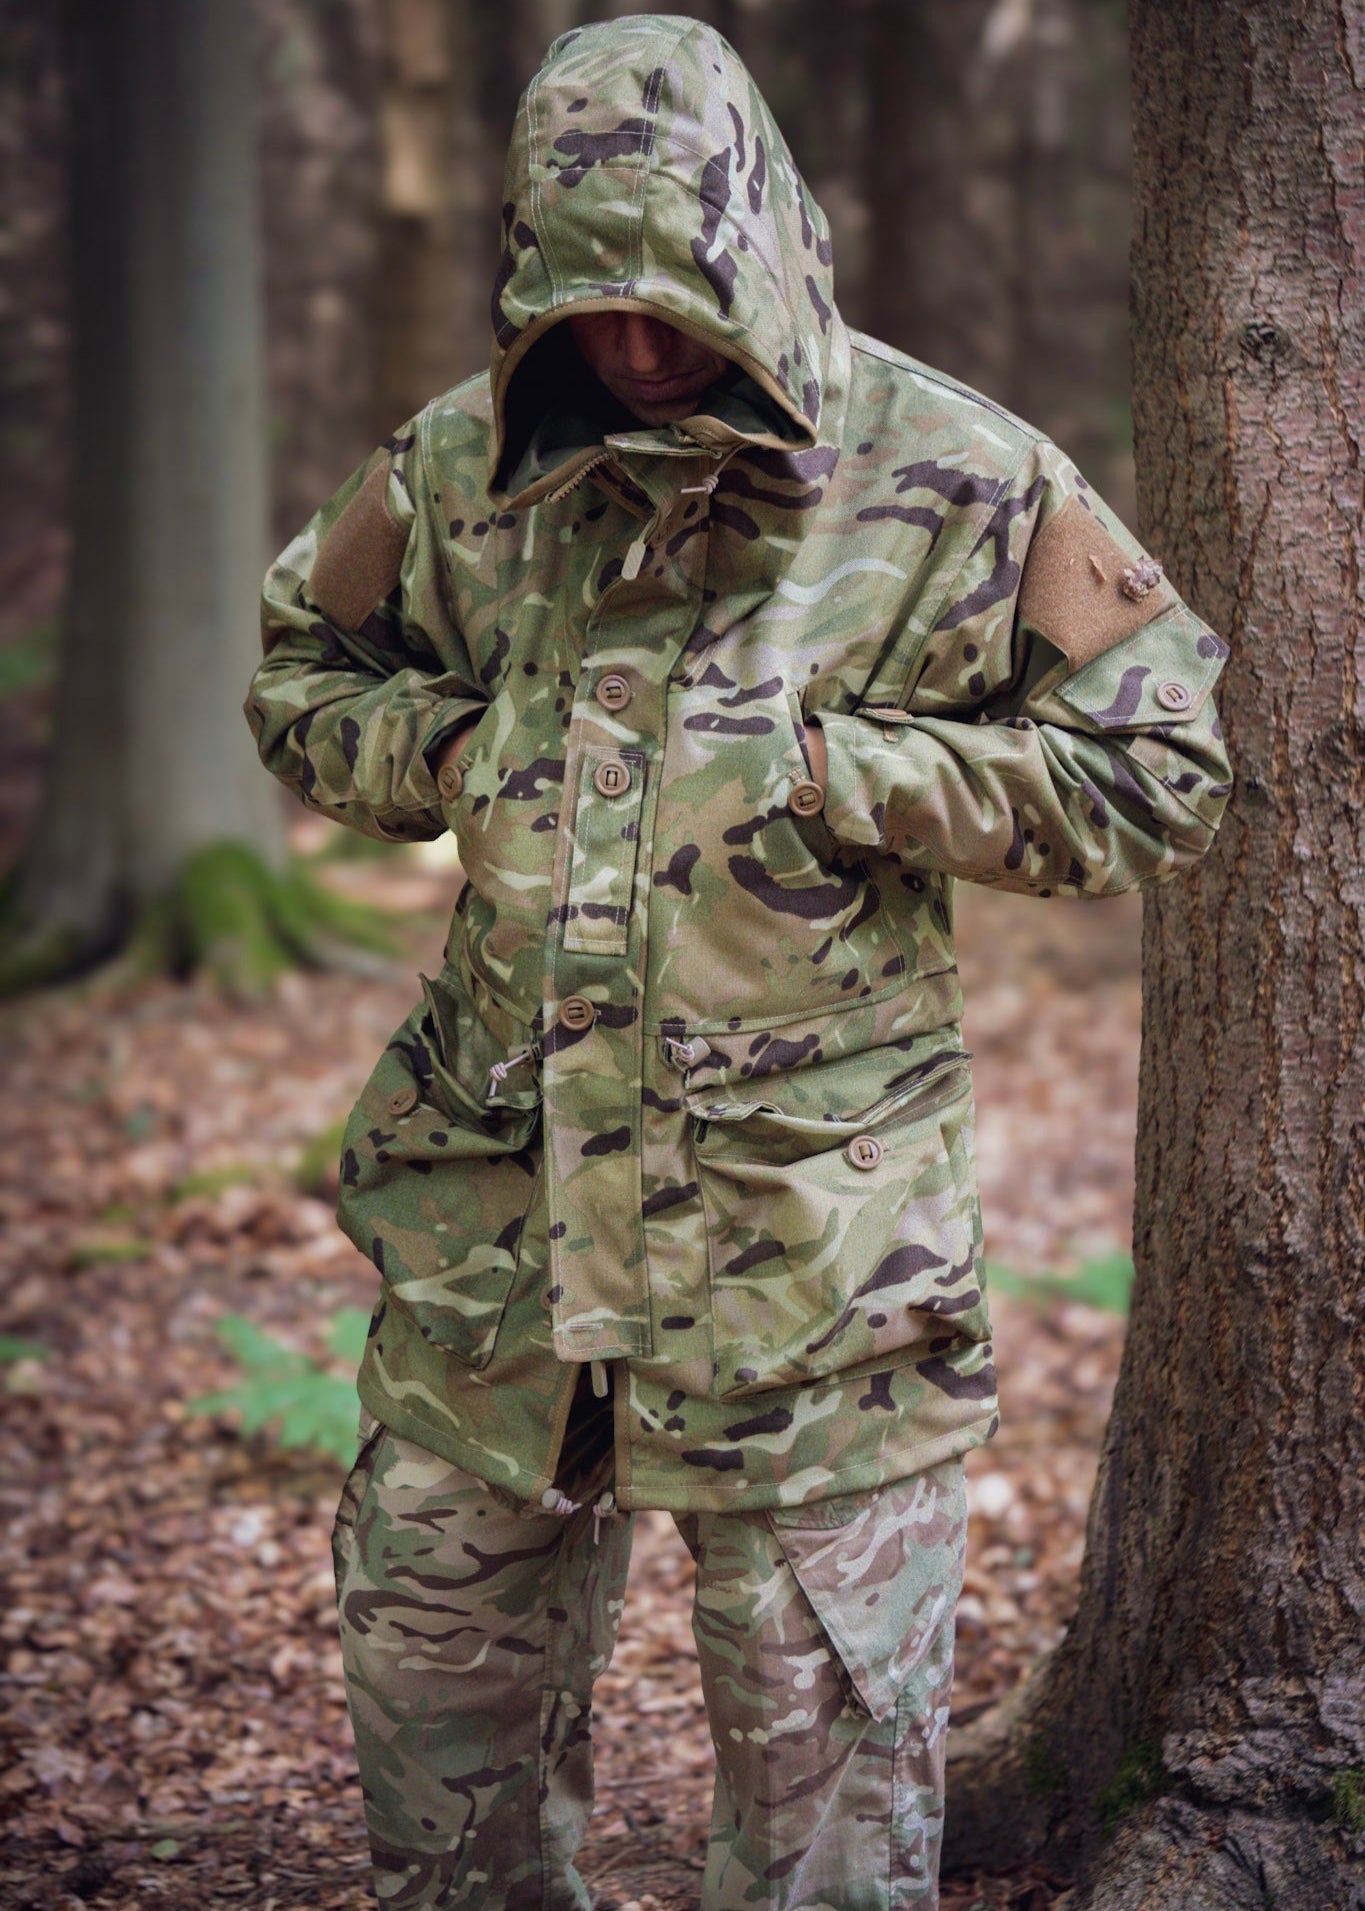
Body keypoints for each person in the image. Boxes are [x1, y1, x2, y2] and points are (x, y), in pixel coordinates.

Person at [246, 16, 1231, 1909]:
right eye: (589, 305)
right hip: (495, 1251)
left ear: (759, 241)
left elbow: (1159, 763)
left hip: (808, 1272)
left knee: (824, 1803)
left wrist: (843, 774)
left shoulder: (954, 475)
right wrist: (453, 755)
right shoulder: (466, 464)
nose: (633, 346)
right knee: (437, 1720)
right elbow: (302, 673)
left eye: (671, 294)